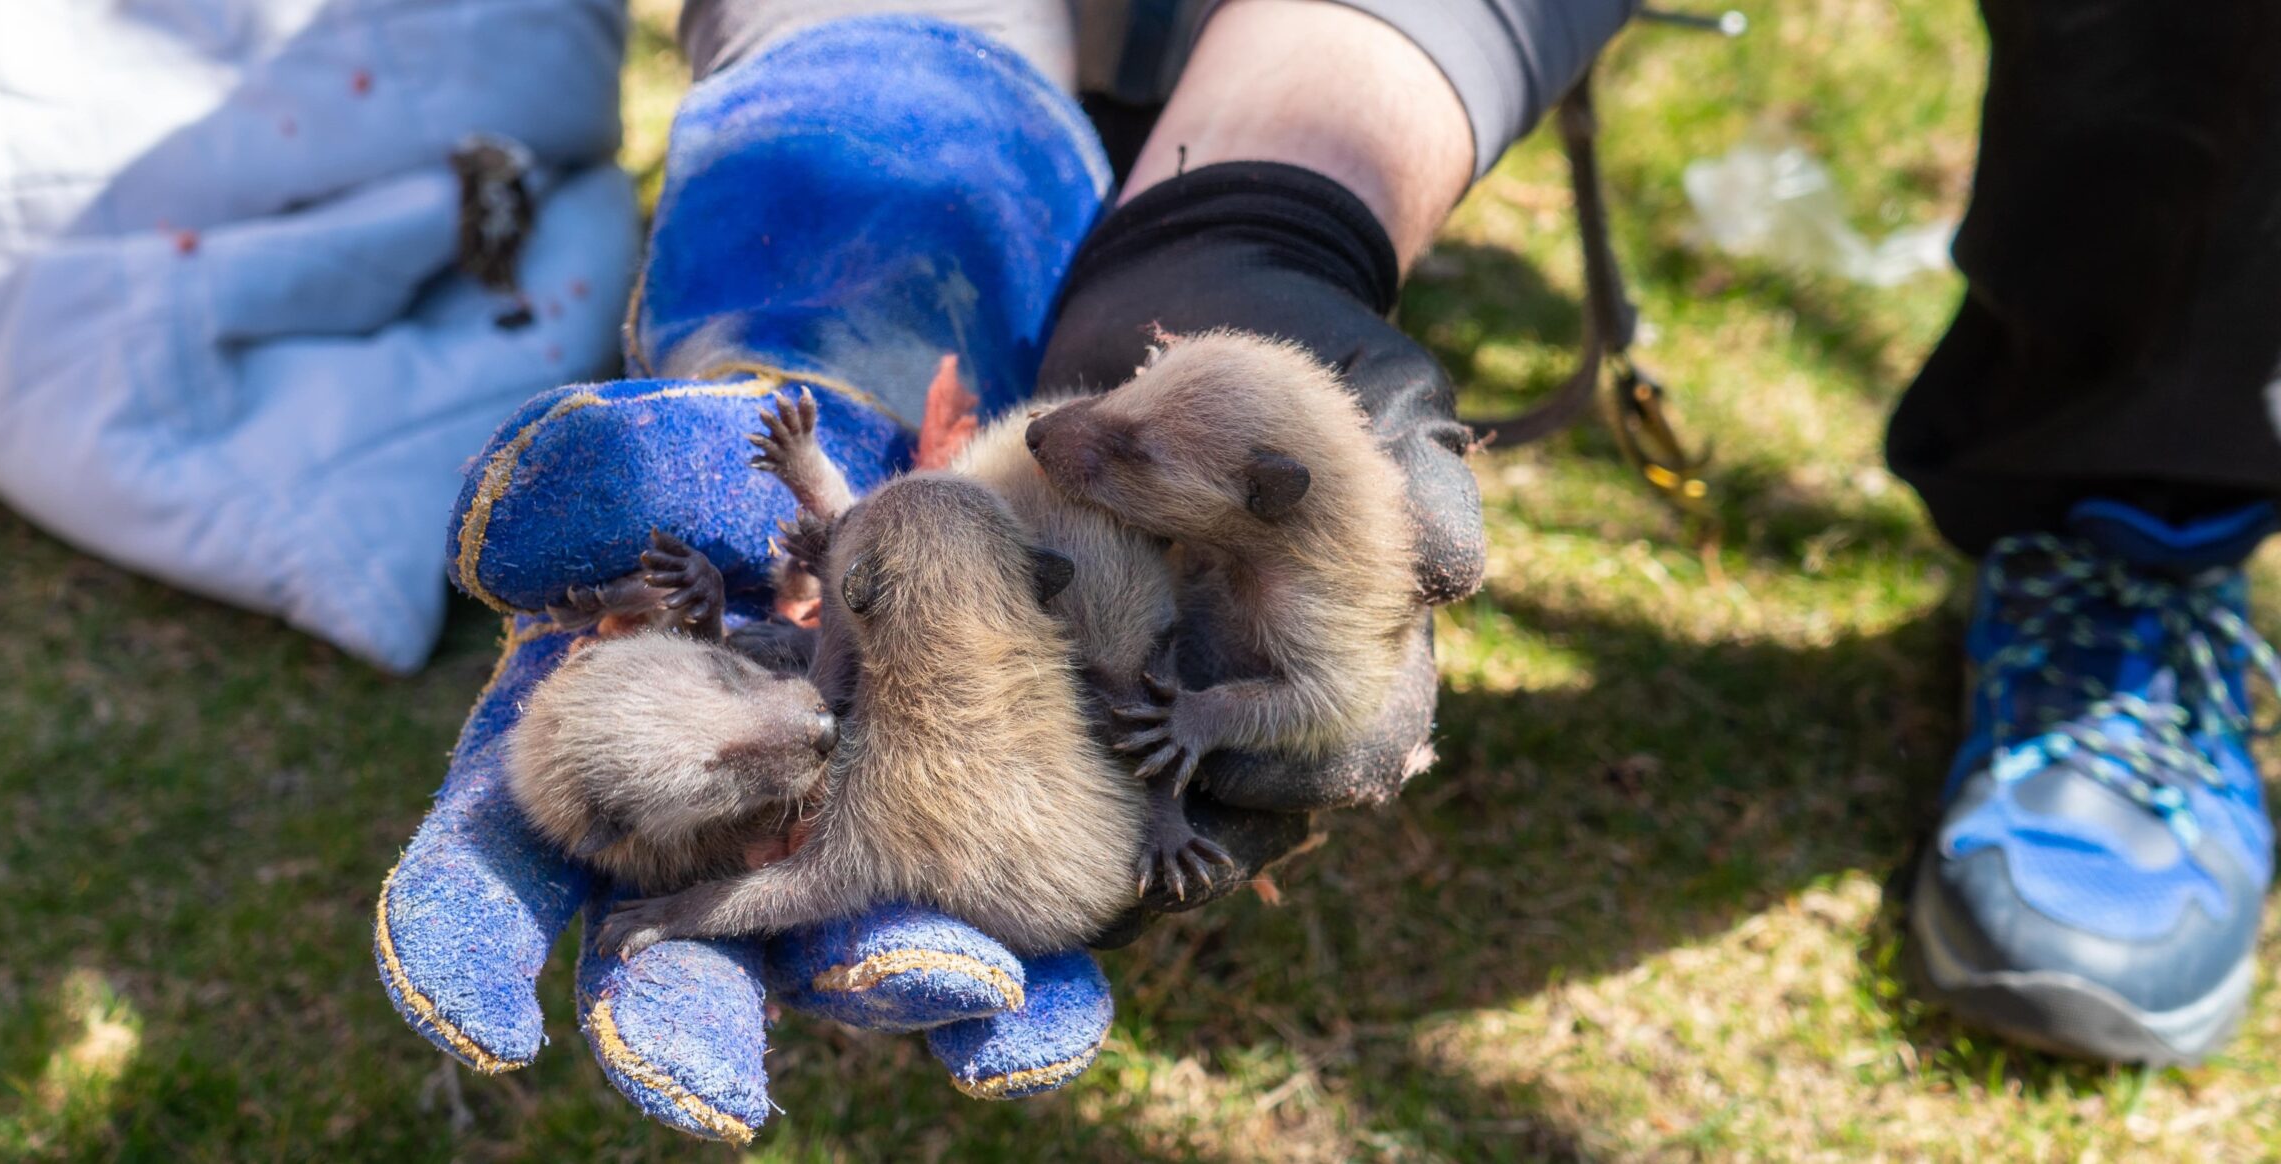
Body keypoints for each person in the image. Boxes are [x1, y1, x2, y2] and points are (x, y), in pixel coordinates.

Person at [379, 0, 2281, 1139]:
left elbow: (910, 733)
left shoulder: (1008, 615)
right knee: (925, 185)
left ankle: (2130, 513)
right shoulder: (953, 604)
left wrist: (1266, 204)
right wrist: (876, 107)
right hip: (973, 643)